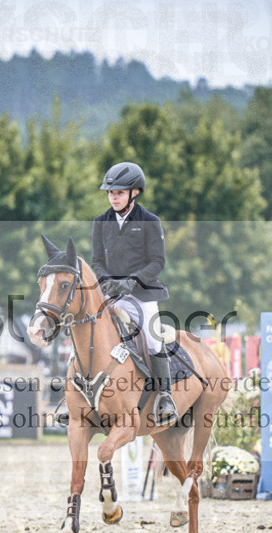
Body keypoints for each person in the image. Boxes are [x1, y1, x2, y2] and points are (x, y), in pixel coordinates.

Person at [92, 161, 178, 424]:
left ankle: (165, 395)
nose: (113, 197)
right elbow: (96, 261)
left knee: (152, 339)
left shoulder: (149, 221)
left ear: (134, 192)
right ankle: (71, 396)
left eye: (118, 192)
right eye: (110, 192)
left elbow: (157, 262)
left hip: (142, 295)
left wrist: (132, 281)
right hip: (110, 293)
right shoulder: (100, 222)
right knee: (87, 330)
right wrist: (107, 281)